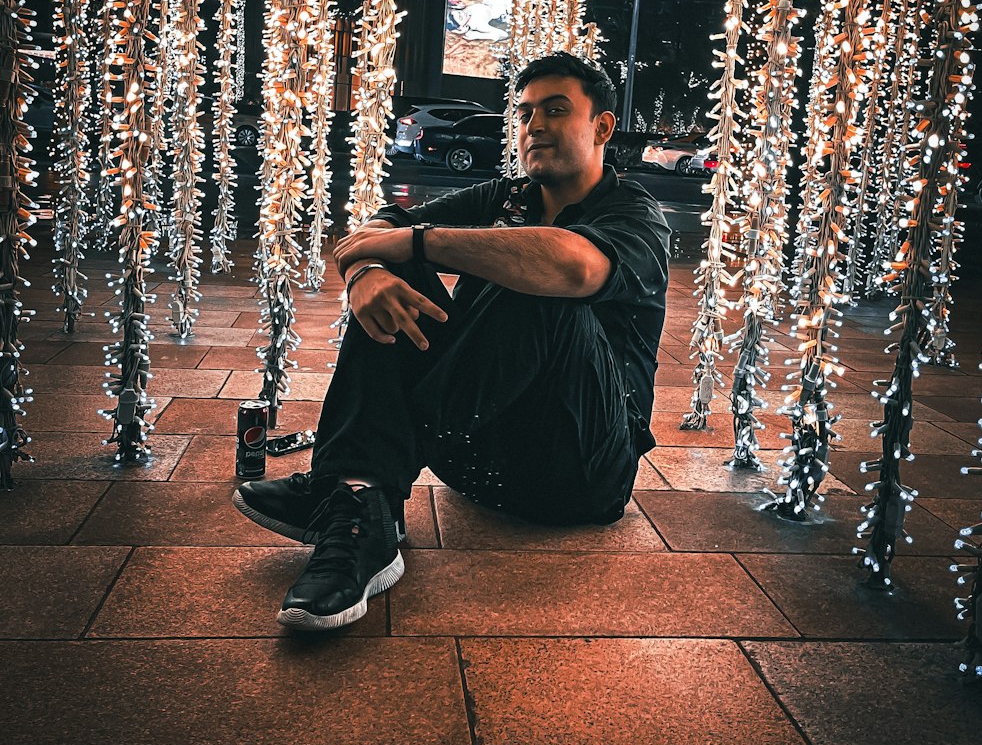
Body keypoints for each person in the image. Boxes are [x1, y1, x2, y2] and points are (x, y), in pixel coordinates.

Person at [234, 53, 671, 631]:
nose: (532, 126)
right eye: (524, 113)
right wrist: (368, 275)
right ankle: (366, 506)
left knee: (530, 265)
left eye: (556, 111)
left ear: (602, 127)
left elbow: (575, 270)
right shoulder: (505, 197)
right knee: (403, 275)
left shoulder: (635, 212)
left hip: (578, 474)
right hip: (472, 459)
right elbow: (370, 234)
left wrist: (412, 244)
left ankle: (350, 487)